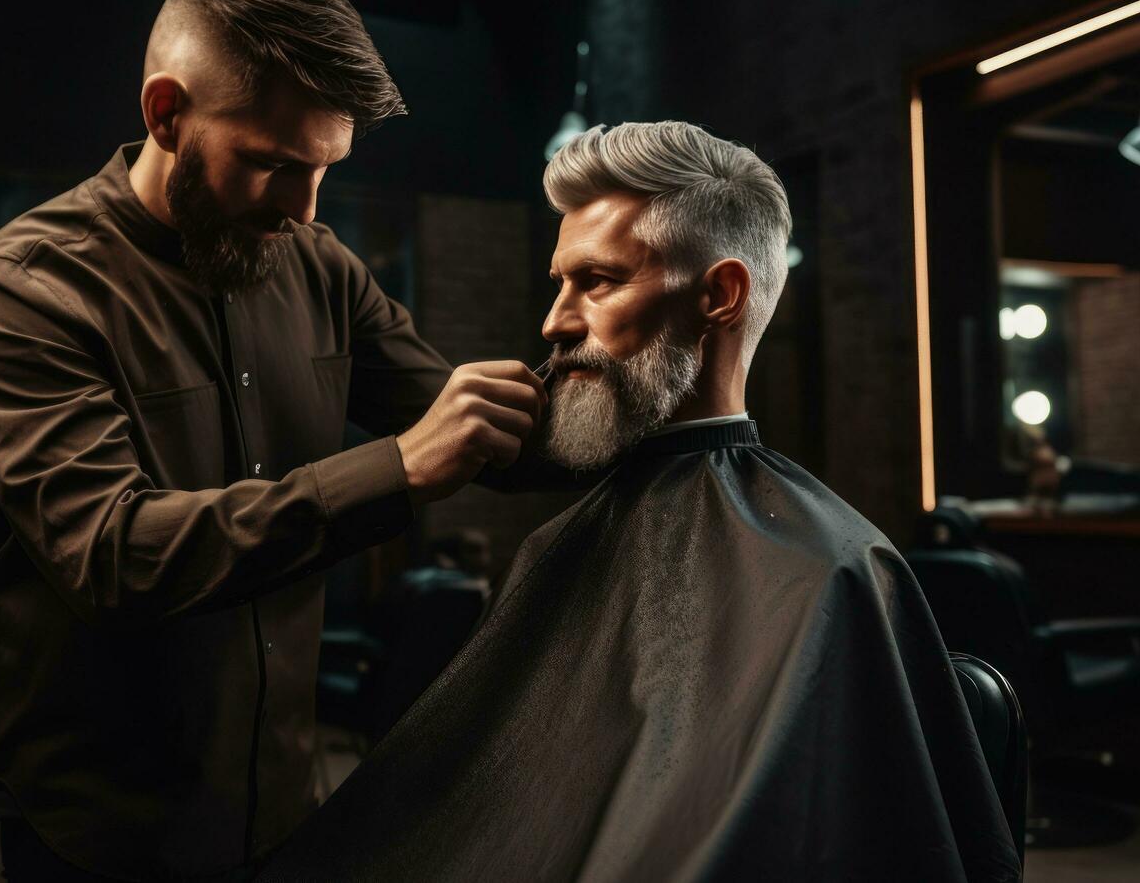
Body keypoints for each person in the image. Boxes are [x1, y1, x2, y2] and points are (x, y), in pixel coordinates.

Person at [260, 122, 1023, 882]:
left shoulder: (834, 574)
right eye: (560, 284)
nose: (554, 321)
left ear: (720, 295)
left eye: (596, 281)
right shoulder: (561, 544)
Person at [0, 0, 551, 882]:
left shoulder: (319, 266)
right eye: (272, 164)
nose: (306, 210)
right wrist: (394, 469)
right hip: (99, 833)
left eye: (325, 168)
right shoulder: (25, 294)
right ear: (166, 113)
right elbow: (113, 553)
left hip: (281, 803)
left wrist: (652, 382)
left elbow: (482, 433)